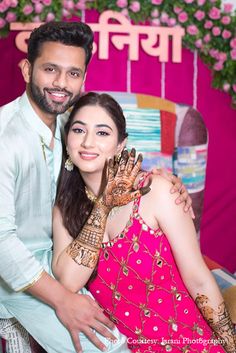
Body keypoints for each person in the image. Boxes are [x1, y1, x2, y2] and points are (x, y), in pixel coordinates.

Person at [0, 21, 192, 353]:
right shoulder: (6, 138)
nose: (61, 83)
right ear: (27, 69)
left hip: (63, 262)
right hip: (15, 279)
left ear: (83, 79)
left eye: (73, 74)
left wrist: (158, 180)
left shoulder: (66, 124)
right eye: (50, 70)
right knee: (111, 350)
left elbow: (102, 154)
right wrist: (63, 300)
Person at [52, 92, 236, 353]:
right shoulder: (65, 209)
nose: (88, 142)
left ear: (120, 145)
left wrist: (231, 345)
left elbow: (198, 279)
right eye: (78, 130)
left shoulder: (156, 190)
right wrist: (104, 204)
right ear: (67, 139)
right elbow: (69, 281)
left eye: (102, 133)